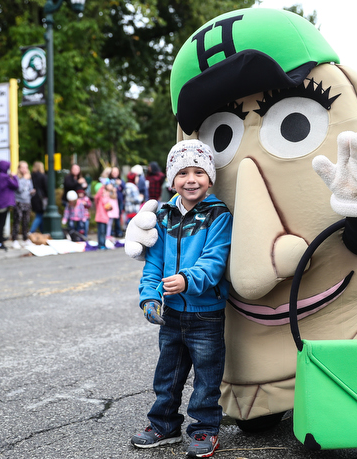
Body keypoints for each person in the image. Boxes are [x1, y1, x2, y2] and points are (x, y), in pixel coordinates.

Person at [130, 140, 232, 458]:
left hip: (206, 313)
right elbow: (154, 263)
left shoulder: (218, 214)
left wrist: (188, 280)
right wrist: (150, 298)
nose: (191, 179)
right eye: (183, 172)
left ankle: (204, 430)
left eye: (199, 172)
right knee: (167, 375)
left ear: (210, 178)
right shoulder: (163, 215)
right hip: (171, 312)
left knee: (206, 377)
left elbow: (215, 261)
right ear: (172, 179)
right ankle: (164, 425)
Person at [0, 160, 18, 251]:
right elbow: (16, 185)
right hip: (5, 203)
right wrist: (14, 177)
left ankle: (0, 241)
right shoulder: (6, 177)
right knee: (1, 224)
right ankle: (0, 242)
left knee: (0, 223)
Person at [11, 161, 34, 249]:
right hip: (19, 202)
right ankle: (15, 240)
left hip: (27, 202)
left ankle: (25, 239)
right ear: (19, 168)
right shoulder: (16, 178)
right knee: (17, 221)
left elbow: (30, 188)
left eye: (26, 167)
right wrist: (24, 179)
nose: (24, 169)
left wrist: (32, 192)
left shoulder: (28, 178)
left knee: (26, 221)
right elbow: (19, 189)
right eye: (23, 167)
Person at [30, 161, 48, 233]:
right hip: (41, 199)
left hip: (34, 198)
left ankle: (42, 232)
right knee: (39, 216)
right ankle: (31, 232)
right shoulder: (43, 176)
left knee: (40, 215)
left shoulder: (31, 176)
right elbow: (46, 188)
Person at [94, 182, 114, 249]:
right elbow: (97, 196)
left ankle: (103, 244)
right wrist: (102, 187)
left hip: (105, 218)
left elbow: (107, 206)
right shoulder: (99, 199)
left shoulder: (106, 198)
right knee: (101, 232)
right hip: (100, 217)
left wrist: (110, 207)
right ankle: (101, 244)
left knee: (104, 232)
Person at [109, 167, 125, 237]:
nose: (115, 173)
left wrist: (121, 183)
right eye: (113, 172)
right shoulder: (108, 181)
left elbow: (125, 188)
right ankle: (111, 232)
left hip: (119, 200)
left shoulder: (121, 181)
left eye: (116, 171)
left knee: (118, 216)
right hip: (111, 201)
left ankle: (118, 231)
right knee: (111, 217)